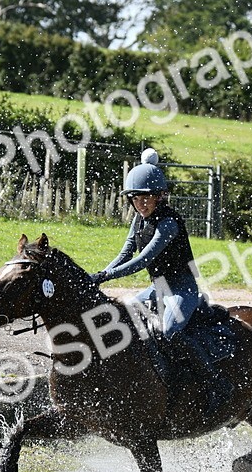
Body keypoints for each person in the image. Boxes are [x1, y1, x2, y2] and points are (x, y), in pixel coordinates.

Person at [91, 149, 232, 419]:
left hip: (182, 289)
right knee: (124, 315)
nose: (141, 204)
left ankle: (216, 384)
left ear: (159, 196)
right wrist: (98, 274)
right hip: (159, 288)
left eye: (147, 198)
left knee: (170, 332)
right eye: (136, 199)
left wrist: (106, 277)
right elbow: (125, 253)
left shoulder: (169, 224)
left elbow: (143, 260)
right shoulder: (138, 220)